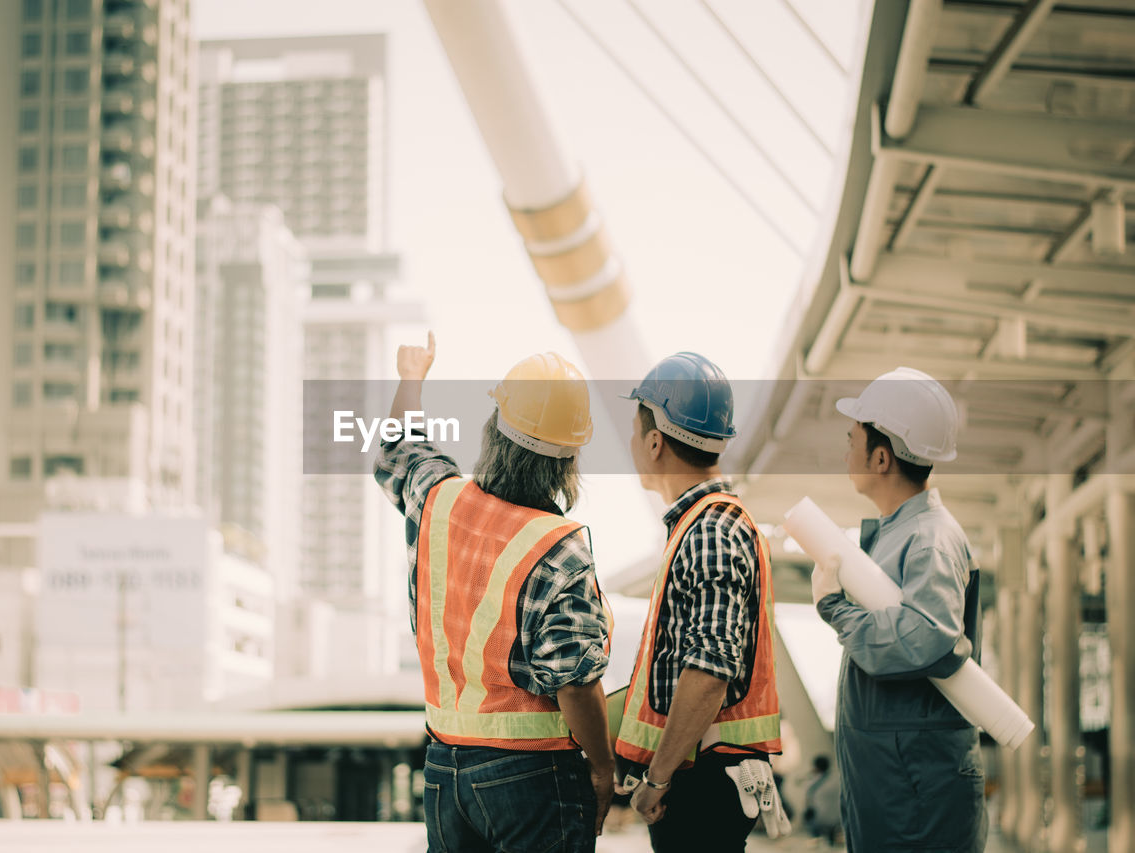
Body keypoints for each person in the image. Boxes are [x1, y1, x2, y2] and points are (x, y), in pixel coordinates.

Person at [374, 333, 614, 852]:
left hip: (444, 767)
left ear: (492, 429)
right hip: (533, 776)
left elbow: (398, 446)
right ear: (568, 460)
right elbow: (573, 682)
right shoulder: (558, 549)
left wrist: (411, 376)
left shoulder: (437, 498)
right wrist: (602, 766)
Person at [613, 352, 789, 851]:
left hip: (700, 782)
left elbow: (710, 669)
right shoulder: (706, 526)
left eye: (633, 432)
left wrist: (659, 780)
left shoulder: (709, 530)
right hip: (703, 775)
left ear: (654, 442)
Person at [812, 366, 987, 852]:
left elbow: (924, 637)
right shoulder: (900, 536)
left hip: (916, 787)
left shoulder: (929, 540)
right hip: (901, 782)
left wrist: (836, 609)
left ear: (881, 457)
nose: (846, 451)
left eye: (853, 439)